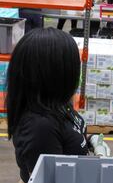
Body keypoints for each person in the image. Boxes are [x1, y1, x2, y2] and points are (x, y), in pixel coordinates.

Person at [6, 28, 107, 183]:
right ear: (56, 72)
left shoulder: (57, 103)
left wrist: (90, 141)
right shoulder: (40, 127)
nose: (77, 71)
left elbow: (66, 139)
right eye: (74, 65)